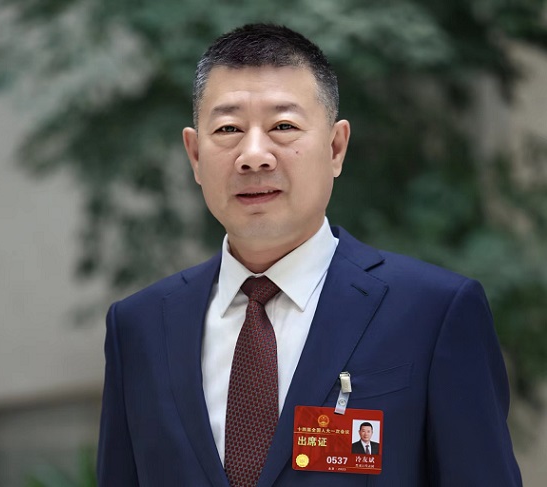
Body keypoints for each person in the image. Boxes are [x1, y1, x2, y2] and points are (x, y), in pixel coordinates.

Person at [97, 23, 522, 486]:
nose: (253, 155)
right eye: (228, 129)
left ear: (336, 147)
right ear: (195, 155)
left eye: (283, 127)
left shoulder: (433, 313)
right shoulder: (139, 328)